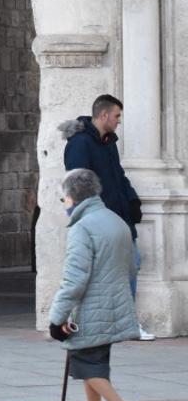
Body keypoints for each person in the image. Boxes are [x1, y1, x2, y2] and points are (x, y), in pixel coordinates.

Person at [49, 168, 141, 401]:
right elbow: (131, 268)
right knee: (96, 363)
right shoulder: (115, 221)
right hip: (115, 305)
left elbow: (75, 279)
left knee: (85, 363)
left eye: (64, 199)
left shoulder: (83, 228)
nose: (64, 204)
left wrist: (57, 319)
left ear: (74, 198)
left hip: (92, 308)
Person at [61, 94, 153, 340]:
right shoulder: (80, 143)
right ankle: (74, 321)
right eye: (117, 116)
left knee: (130, 266)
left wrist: (132, 199)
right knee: (88, 272)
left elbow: (119, 176)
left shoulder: (109, 143)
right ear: (103, 115)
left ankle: (126, 324)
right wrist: (87, 218)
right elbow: (76, 184)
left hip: (120, 218)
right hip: (97, 221)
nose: (118, 121)